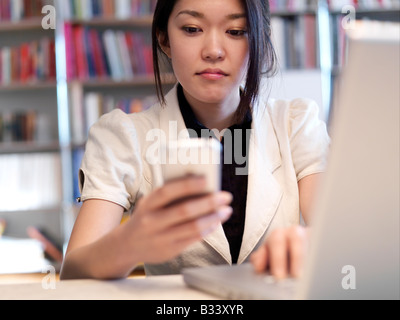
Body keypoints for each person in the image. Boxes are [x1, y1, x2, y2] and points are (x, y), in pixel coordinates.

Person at [60, 0, 330, 280]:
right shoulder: (122, 136)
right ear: (164, 39)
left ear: (259, 39)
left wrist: (315, 243)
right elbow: (73, 274)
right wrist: (130, 241)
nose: (213, 51)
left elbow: (337, 239)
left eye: (236, 31)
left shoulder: (296, 124)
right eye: (192, 29)